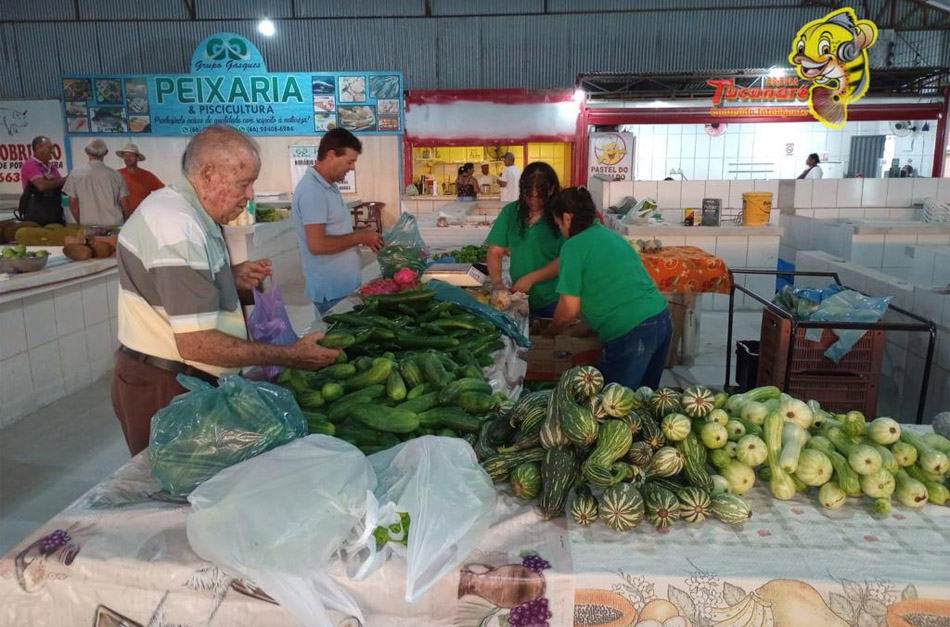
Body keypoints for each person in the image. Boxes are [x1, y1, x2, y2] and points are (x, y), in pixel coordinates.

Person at [112, 124, 340, 456]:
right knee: (178, 492)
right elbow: (197, 343)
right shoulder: (176, 225)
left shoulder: (190, 213)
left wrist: (229, 279)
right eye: (244, 184)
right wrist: (290, 355)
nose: (249, 196)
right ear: (208, 175)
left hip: (186, 380)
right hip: (167, 386)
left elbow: (173, 291)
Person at [544, 187, 672, 390]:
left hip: (632, 332)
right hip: (662, 319)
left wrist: (550, 333)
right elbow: (609, 290)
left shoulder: (573, 246)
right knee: (645, 402)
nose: (559, 230)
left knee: (613, 407)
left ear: (567, 218)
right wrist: (581, 328)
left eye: (558, 224)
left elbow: (568, 310)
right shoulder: (608, 235)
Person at [292, 127, 383, 317]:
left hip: (342, 288)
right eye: (350, 161)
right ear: (331, 155)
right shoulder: (313, 191)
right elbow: (317, 245)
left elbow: (334, 231)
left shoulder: (328, 186)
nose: (352, 167)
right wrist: (359, 236)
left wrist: (361, 235)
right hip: (332, 292)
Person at [486, 162, 563, 318]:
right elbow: (495, 251)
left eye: (539, 197)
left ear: (551, 190)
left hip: (552, 300)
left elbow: (566, 259)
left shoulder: (560, 217)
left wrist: (531, 278)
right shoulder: (511, 212)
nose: (533, 202)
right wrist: (497, 283)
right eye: (528, 196)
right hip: (517, 299)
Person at [63, 139, 130, 225]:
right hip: (114, 225)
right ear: (106, 152)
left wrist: (81, 220)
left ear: (86, 151)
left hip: (88, 225)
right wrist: (125, 222)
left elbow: (72, 202)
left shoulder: (75, 174)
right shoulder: (116, 175)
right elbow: (125, 203)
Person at [17, 135, 66, 225]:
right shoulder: (30, 164)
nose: (53, 151)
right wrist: (65, 179)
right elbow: (41, 186)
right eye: (50, 148)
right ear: (39, 148)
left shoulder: (51, 166)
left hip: (53, 213)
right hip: (36, 217)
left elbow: (61, 186)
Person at [116, 143, 163, 213]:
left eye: (131, 155)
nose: (128, 158)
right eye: (125, 155)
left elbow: (163, 191)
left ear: (137, 158)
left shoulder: (148, 176)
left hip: (141, 216)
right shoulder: (116, 175)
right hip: (121, 216)